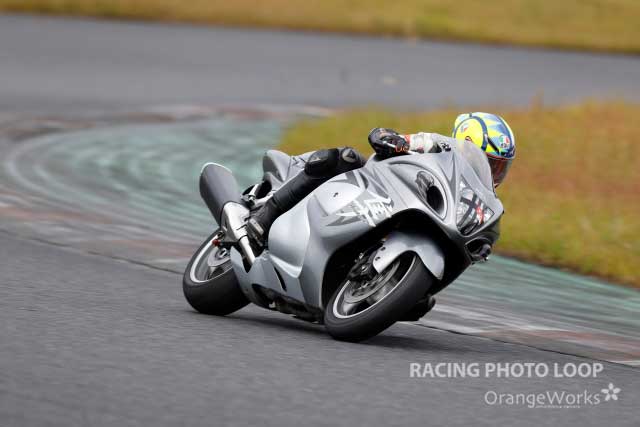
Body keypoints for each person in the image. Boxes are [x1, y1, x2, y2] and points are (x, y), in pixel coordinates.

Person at [247, 112, 516, 245]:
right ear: (466, 145)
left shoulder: (478, 203)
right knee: (343, 158)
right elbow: (399, 138)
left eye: (499, 167)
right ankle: (267, 214)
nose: (494, 173)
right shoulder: (440, 146)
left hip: (405, 217)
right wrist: (394, 140)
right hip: (378, 189)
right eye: (490, 163)